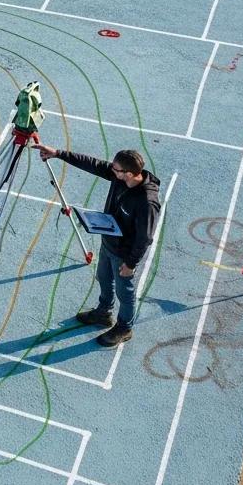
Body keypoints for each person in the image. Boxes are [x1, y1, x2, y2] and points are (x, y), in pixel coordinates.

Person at [37, 143, 161, 347]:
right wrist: (58, 154)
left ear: (129, 174)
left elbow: (145, 238)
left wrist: (130, 264)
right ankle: (104, 312)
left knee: (125, 292)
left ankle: (125, 327)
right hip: (109, 242)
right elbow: (93, 164)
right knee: (103, 278)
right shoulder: (119, 175)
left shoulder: (146, 202)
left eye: (116, 169)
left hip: (124, 254)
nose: (111, 170)